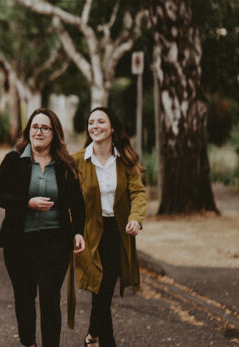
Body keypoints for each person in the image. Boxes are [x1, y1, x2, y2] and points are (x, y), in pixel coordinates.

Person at [0, 108, 86, 347]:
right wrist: (27, 203)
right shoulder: (14, 161)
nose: (39, 131)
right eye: (35, 127)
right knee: (24, 297)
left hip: (55, 243)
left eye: (45, 127)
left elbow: (78, 203)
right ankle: (29, 344)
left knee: (49, 298)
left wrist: (77, 232)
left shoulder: (65, 165)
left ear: (54, 133)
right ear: (28, 131)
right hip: (19, 242)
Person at [73, 107, 146, 347]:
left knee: (104, 290)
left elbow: (137, 192)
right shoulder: (77, 161)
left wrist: (135, 218)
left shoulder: (126, 159)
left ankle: (93, 336)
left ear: (112, 127)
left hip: (117, 232)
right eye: (91, 122)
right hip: (88, 234)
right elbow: (68, 198)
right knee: (99, 286)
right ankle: (107, 342)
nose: (94, 126)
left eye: (100, 121)